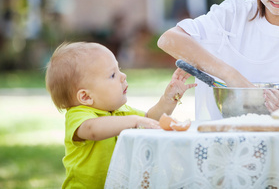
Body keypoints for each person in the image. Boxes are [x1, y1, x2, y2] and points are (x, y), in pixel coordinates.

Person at [45, 42, 196, 188]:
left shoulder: (120, 112)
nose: (123, 76)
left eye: (119, 69)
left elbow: (149, 120)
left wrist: (168, 99)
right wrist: (133, 121)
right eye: (112, 75)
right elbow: (92, 129)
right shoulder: (78, 115)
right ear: (85, 97)